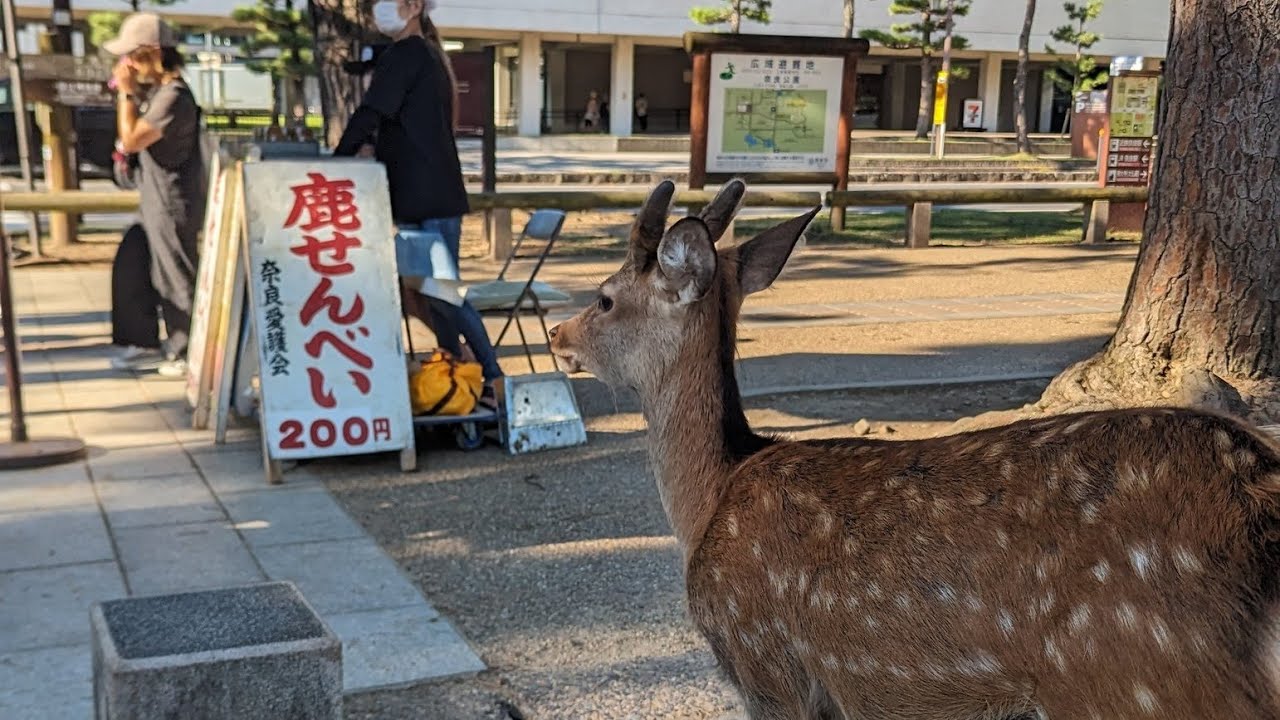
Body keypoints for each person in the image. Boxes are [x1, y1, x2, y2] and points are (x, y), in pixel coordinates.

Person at [333, 0, 503, 404]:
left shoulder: (409, 54)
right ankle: (458, 370)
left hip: (428, 199)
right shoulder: (421, 55)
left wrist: (336, 161)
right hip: (425, 196)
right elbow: (398, 124)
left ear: (412, 8)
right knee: (430, 293)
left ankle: (494, 378)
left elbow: (371, 112)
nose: (380, 11)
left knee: (444, 292)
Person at [104, 12, 205, 377]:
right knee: (135, 264)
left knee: (175, 274)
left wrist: (127, 92)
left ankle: (186, 348)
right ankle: (141, 340)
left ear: (153, 53)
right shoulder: (159, 94)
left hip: (173, 200)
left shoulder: (174, 97)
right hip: (153, 199)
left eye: (132, 56)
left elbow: (132, 138)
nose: (125, 65)